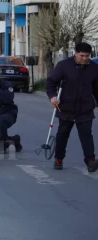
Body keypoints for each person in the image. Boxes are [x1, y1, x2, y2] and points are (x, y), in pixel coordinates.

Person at [46, 42, 98, 172]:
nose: (85, 58)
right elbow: (51, 82)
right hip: (66, 108)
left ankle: (90, 161)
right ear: (75, 53)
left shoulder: (94, 68)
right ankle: (59, 158)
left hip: (85, 108)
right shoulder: (64, 66)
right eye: (82, 56)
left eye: (87, 56)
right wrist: (52, 96)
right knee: (62, 135)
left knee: (86, 135)